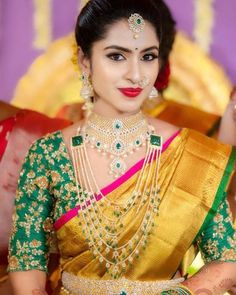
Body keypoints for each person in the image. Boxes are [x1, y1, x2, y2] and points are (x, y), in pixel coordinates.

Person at [8, 0, 236, 294]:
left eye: (147, 56)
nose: (136, 74)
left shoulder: (193, 153)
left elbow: (228, 260)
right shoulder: (47, 154)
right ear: (85, 60)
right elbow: (27, 261)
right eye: (117, 56)